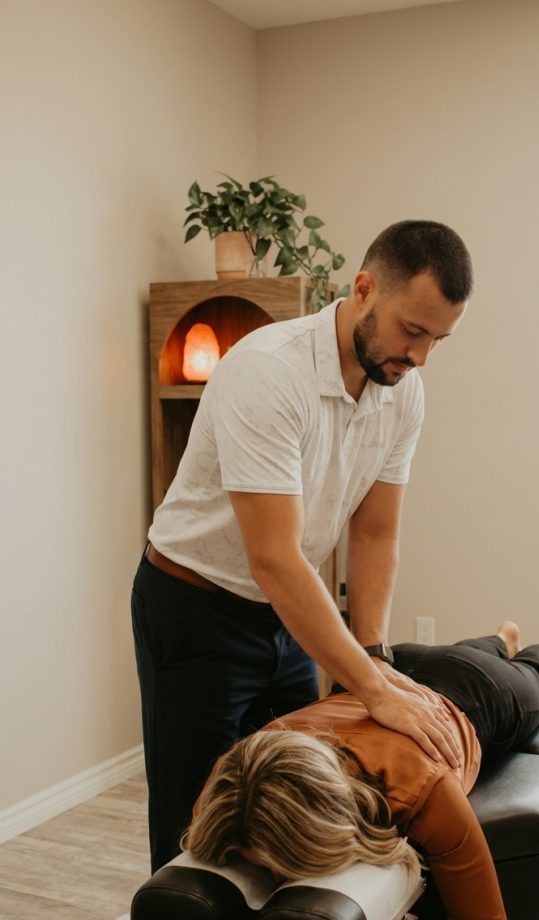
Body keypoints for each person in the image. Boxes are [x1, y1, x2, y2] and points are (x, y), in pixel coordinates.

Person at [131, 220, 473, 871]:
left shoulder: (404, 393)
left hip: (287, 611)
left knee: (296, 808)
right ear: (364, 289)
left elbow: (374, 533)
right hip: (193, 608)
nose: (421, 355)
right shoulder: (267, 371)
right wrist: (368, 687)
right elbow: (274, 556)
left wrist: (371, 657)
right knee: (195, 823)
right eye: (412, 330)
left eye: (437, 339)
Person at [127, 621, 539, 920]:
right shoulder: (230, 789)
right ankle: (498, 637)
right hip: (389, 669)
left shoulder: (420, 787)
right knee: (468, 650)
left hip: (476, 693)